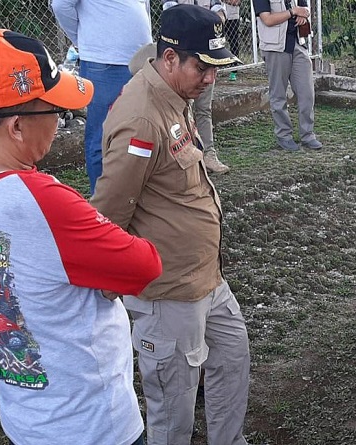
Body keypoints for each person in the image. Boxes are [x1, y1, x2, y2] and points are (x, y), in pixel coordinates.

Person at [89, 5, 250, 445]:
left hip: (206, 278)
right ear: (170, 58)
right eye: (202, 67)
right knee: (174, 411)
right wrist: (107, 286)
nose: (210, 79)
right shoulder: (142, 119)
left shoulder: (174, 95)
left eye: (216, 68)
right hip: (169, 292)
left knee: (232, 360)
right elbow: (110, 209)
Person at [0, 29, 162, 444]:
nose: (59, 123)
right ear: (17, 126)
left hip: (25, 417)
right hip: (88, 423)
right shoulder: (41, 201)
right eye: (56, 112)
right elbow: (142, 265)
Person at [51, 0, 152, 195]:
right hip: (105, 62)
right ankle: (103, 203)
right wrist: (85, 42)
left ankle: (129, 197)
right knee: (102, 135)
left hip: (138, 60)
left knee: (139, 129)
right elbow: (61, 5)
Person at [169, 0, 233, 175]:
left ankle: (208, 155)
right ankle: (184, 157)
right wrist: (204, 23)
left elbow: (220, 11)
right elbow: (171, 14)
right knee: (180, 110)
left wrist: (212, 20)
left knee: (204, 109)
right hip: (184, 57)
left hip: (209, 54)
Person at [253, 0, 323, 151]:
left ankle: (308, 135)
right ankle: (284, 135)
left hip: (297, 43)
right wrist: (293, 12)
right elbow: (267, 19)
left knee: (307, 92)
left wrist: (304, 14)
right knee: (278, 94)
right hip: (275, 47)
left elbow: (304, 7)